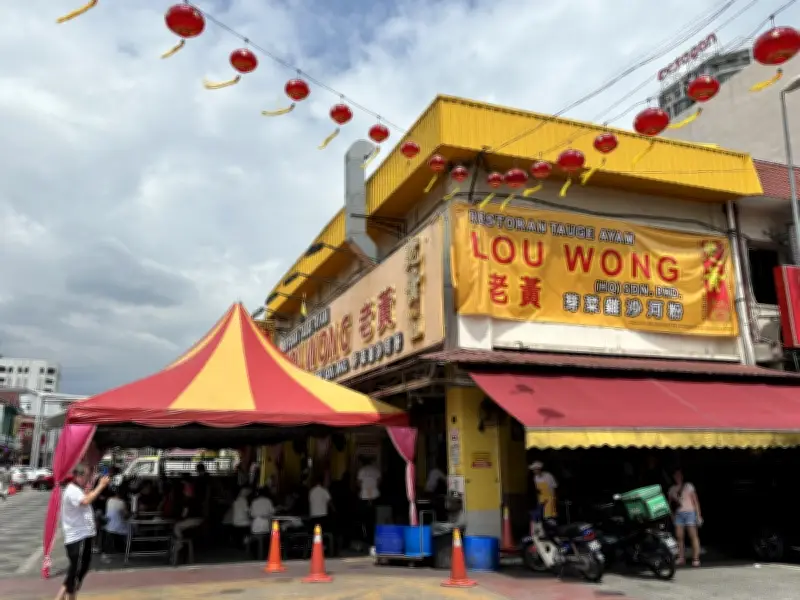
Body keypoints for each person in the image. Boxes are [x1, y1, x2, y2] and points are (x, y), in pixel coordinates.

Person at [56, 466, 109, 600]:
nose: (88, 480)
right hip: (77, 536)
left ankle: (60, 597)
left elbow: (86, 498)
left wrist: (90, 490)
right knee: (77, 570)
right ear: (79, 476)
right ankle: (69, 597)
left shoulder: (77, 489)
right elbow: (85, 501)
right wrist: (100, 486)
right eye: (87, 477)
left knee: (77, 569)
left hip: (83, 535)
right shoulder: (72, 490)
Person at [668, 468, 703, 567]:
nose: (678, 477)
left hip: (690, 513)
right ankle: (681, 558)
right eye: (676, 475)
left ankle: (696, 558)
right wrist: (672, 515)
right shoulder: (671, 489)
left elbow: (695, 501)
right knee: (679, 537)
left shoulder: (688, 486)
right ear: (673, 477)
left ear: (682, 476)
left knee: (693, 536)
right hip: (678, 514)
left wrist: (698, 515)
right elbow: (669, 504)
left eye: (679, 475)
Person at [356, 456, 381, 548]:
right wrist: (373, 487)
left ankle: (366, 538)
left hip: (364, 496)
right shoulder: (376, 470)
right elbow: (379, 481)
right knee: (374, 519)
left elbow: (358, 483)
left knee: (364, 519)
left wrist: (364, 488)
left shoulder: (361, 471)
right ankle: (374, 538)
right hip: (375, 496)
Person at [174, 480, 204, 551]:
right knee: (181, 527)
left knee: (176, 526)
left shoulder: (187, 501)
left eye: (184, 491)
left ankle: (180, 544)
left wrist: (179, 519)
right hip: (200, 520)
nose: (183, 492)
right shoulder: (196, 499)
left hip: (193, 520)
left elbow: (184, 514)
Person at [101, 487, 129, 559]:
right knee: (130, 528)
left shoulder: (109, 500)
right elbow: (125, 515)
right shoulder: (121, 502)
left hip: (109, 524)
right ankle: (127, 548)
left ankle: (110, 549)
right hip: (118, 526)